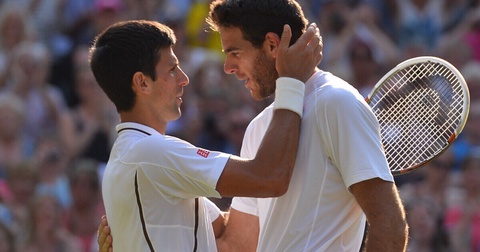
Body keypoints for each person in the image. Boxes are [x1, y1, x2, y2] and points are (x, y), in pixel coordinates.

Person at [98, 1, 408, 251]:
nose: (228, 68)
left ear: (273, 46)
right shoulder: (262, 127)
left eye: (235, 52)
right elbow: (237, 243)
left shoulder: (337, 102)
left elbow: (390, 227)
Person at [90, 18, 321, 251]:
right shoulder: (150, 153)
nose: (184, 78)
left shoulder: (132, 157)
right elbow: (270, 178)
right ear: (142, 82)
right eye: (172, 70)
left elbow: (233, 240)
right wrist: (290, 82)